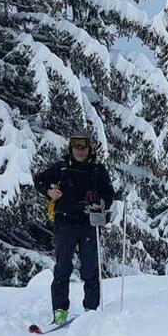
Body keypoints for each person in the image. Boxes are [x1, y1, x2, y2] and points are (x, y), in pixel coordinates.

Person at [34, 131, 115, 324]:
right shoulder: (62, 167)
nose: (80, 151)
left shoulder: (97, 170)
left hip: (89, 224)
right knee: (63, 267)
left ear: (90, 149)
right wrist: (49, 191)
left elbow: (110, 194)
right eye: (76, 147)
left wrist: (101, 203)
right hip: (65, 223)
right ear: (71, 149)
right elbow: (39, 180)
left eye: (83, 147)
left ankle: (91, 310)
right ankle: (60, 310)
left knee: (90, 268)